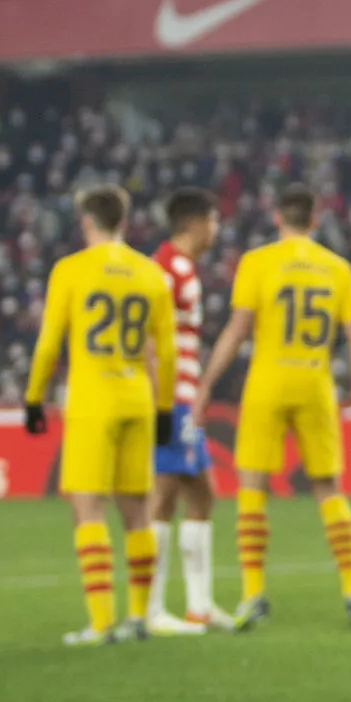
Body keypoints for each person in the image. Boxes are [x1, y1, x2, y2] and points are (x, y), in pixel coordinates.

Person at [193, 185, 351, 629]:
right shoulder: (337, 268)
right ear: (316, 221)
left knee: (252, 488)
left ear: (277, 218)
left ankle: (253, 594)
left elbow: (236, 332)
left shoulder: (256, 263)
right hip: (314, 382)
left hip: (268, 382)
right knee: (329, 489)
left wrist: (204, 387)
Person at [23, 186, 177, 645]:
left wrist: (33, 398)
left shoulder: (71, 270)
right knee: (136, 512)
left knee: (87, 507)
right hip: (137, 399)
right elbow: (165, 354)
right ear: (124, 221)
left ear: (86, 222)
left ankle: (100, 622)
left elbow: (50, 342)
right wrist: (165, 407)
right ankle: (139, 619)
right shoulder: (151, 274)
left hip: (94, 400)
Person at [148, 188, 232, 633]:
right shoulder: (166, 270)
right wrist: (161, 399)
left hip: (182, 397)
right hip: (169, 400)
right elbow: (147, 333)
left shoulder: (182, 269)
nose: (217, 230)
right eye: (214, 221)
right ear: (195, 223)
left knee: (201, 494)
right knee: (162, 494)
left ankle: (200, 605)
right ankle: (153, 608)